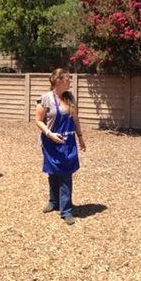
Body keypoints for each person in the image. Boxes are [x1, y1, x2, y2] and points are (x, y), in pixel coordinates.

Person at [35, 68, 86, 226]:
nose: (70, 81)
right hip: (51, 141)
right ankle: (54, 201)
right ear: (58, 81)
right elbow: (38, 120)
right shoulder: (45, 98)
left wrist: (80, 137)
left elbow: (76, 119)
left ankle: (66, 211)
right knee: (53, 172)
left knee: (65, 175)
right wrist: (50, 134)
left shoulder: (70, 97)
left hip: (68, 142)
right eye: (67, 79)